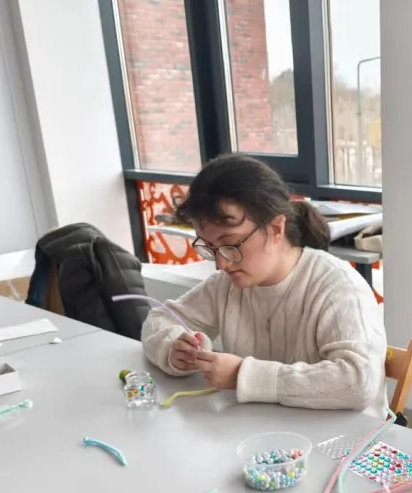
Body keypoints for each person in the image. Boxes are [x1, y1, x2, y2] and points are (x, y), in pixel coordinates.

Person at [141, 154, 388, 416]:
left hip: (346, 437)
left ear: (276, 229)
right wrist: (174, 347)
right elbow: (159, 319)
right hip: (266, 430)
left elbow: (358, 381)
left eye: (230, 244)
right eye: (210, 247)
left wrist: (242, 375)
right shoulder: (226, 286)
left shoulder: (336, 286)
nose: (221, 264)